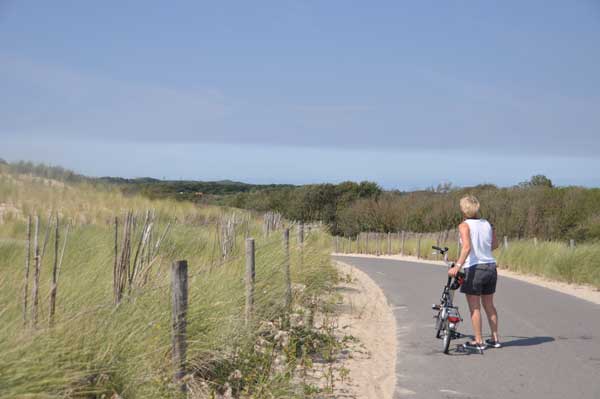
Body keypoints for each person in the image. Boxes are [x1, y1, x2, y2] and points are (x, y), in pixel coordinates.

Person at [448, 195, 501, 350]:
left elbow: (466, 248)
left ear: (463, 209)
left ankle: (478, 341)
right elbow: (495, 244)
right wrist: (483, 251)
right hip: (490, 267)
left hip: (475, 269)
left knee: (475, 307)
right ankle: (495, 338)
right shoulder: (487, 224)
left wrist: (457, 266)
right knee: (489, 305)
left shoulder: (464, 226)